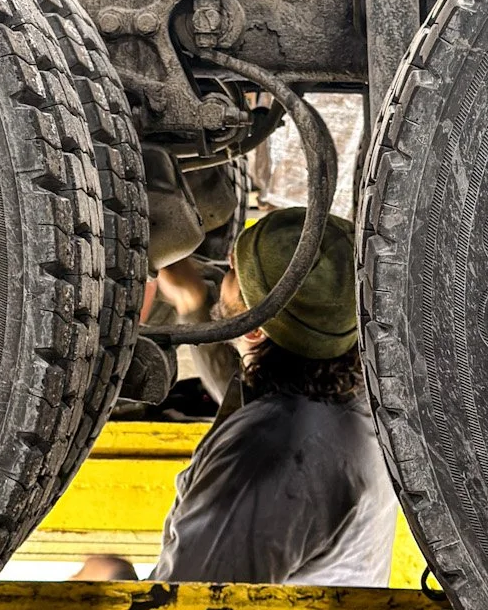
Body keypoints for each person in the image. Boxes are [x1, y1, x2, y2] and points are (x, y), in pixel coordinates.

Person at [151, 208, 397, 585]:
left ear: (254, 329)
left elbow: (184, 609)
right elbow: (250, 397)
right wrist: (193, 304)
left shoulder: (263, 460)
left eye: (234, 271)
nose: (224, 268)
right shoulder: (348, 401)